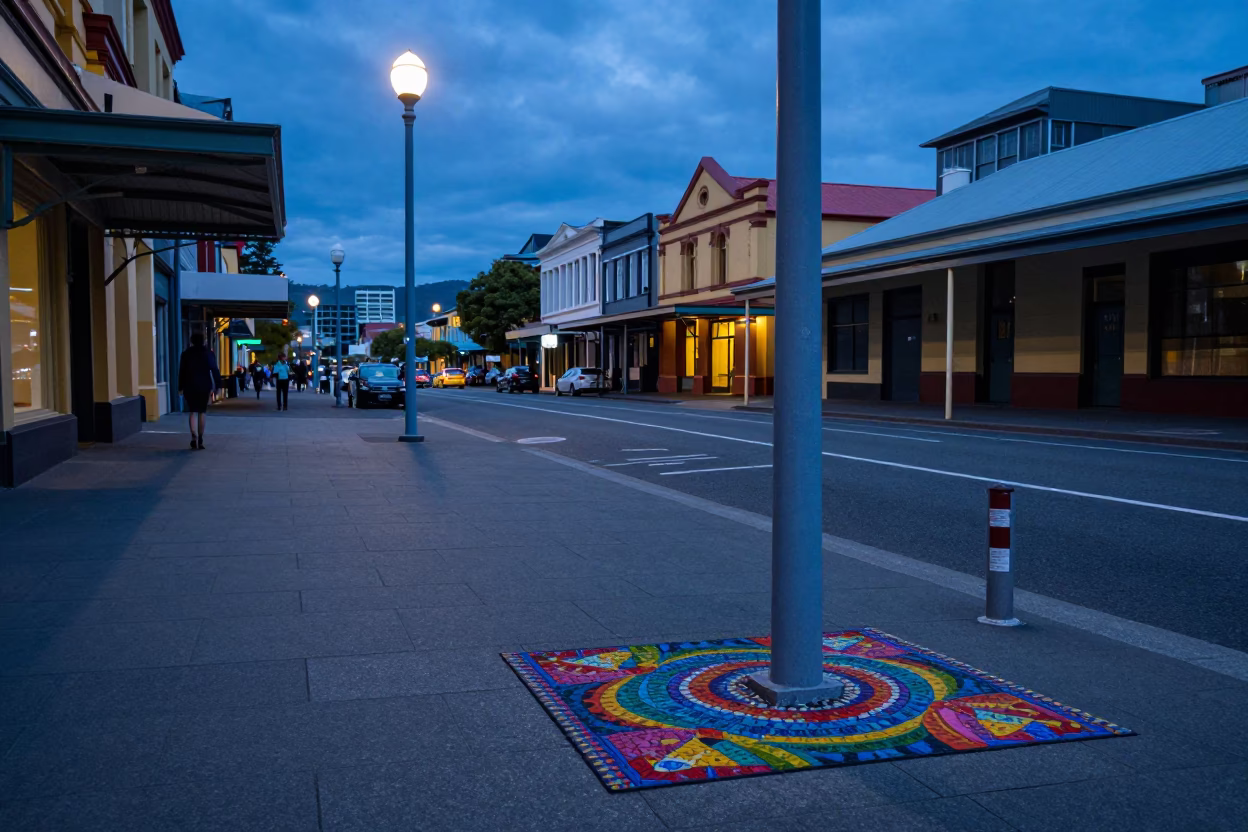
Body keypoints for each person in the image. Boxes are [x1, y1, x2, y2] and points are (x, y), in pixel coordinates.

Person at [178, 332, 217, 450]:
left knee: (192, 412)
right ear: (204, 341)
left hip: (190, 385)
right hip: (204, 385)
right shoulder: (208, 353)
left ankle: (193, 437)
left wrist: (180, 387)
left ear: (191, 341)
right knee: (202, 412)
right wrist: (218, 385)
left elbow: (182, 372)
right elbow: (214, 369)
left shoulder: (186, 354)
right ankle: (200, 438)